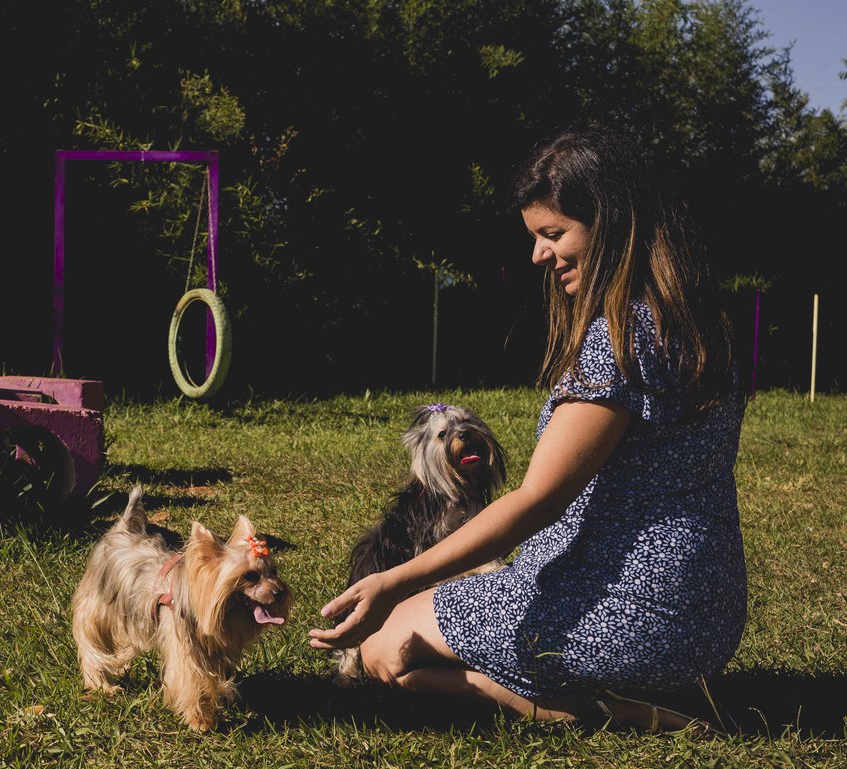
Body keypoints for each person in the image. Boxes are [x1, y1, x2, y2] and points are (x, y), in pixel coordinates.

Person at [309, 125, 746, 732]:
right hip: (706, 613)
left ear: (611, 224)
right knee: (415, 635)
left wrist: (392, 581)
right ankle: (608, 687)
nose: (539, 255)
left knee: (385, 648)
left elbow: (538, 499)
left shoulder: (619, 342)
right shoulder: (700, 329)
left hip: (628, 609)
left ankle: (598, 710)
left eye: (553, 234)